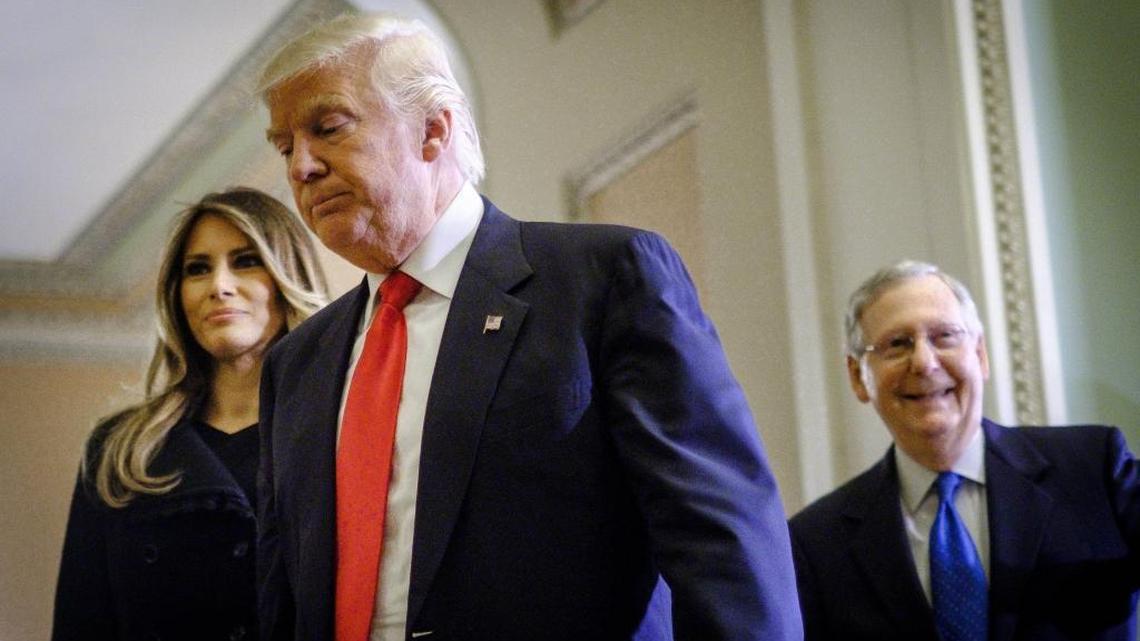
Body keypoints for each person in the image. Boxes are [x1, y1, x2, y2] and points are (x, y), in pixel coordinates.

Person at [255, 12, 800, 641]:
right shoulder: (296, 365)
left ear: (433, 129)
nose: (301, 166)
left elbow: (724, 543)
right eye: (284, 146)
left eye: (328, 128)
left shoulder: (603, 280)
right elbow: (283, 599)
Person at [788, 259, 1140, 641]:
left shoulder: (1092, 470)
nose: (923, 362)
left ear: (981, 355)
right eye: (897, 344)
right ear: (858, 377)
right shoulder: (815, 544)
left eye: (944, 337)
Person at [52, 188, 329, 641]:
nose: (219, 286)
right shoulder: (123, 451)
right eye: (197, 269)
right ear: (177, 295)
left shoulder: (338, 428)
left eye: (245, 261)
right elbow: (81, 623)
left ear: (287, 276)